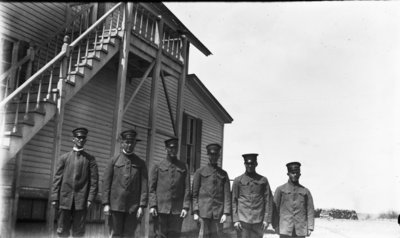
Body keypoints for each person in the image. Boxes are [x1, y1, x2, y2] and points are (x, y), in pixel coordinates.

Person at [51, 127, 99, 237]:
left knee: (79, 231)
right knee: (62, 229)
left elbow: (94, 182)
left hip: (81, 202)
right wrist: (54, 197)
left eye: (83, 138)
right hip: (65, 200)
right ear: (73, 139)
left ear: (85, 140)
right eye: (78, 138)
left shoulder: (90, 160)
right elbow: (57, 178)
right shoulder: (64, 158)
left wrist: (90, 199)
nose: (81, 140)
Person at [102, 129, 148, 238]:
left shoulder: (140, 163)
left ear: (135, 143)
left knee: (129, 235)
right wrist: (106, 204)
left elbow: (144, 186)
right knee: (116, 234)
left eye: (132, 142)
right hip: (115, 205)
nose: (129, 145)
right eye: (127, 142)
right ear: (122, 143)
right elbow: (106, 183)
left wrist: (142, 206)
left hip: (133, 207)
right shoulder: (113, 161)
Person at [149, 137, 190, 238]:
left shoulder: (183, 166)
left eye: (175, 148)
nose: (173, 150)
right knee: (160, 235)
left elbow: (187, 188)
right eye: (170, 148)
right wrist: (153, 205)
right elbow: (151, 188)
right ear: (166, 149)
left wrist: (185, 207)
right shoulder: (158, 166)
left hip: (177, 210)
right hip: (160, 209)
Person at [192, 143, 231, 238]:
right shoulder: (200, 172)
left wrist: (225, 213)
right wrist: (195, 212)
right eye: (211, 154)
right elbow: (194, 194)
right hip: (203, 213)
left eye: (216, 155)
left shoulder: (223, 174)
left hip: (218, 214)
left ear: (218, 156)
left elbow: (227, 195)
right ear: (208, 155)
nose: (214, 157)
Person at [232, 153, 273, 238]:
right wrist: (235, 220)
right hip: (243, 221)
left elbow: (268, 200)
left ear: (256, 164)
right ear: (244, 164)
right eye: (248, 164)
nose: (250, 166)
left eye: (252, 164)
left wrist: (266, 219)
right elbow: (234, 201)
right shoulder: (238, 180)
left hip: (258, 221)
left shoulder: (263, 180)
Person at [274, 162, 315, 238]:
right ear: (288, 174)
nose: (295, 175)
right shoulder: (280, 190)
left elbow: (310, 210)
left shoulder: (305, 191)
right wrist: (275, 225)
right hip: (285, 228)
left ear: (300, 174)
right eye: (292, 173)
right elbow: (275, 209)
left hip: (300, 229)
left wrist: (310, 227)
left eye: (297, 173)